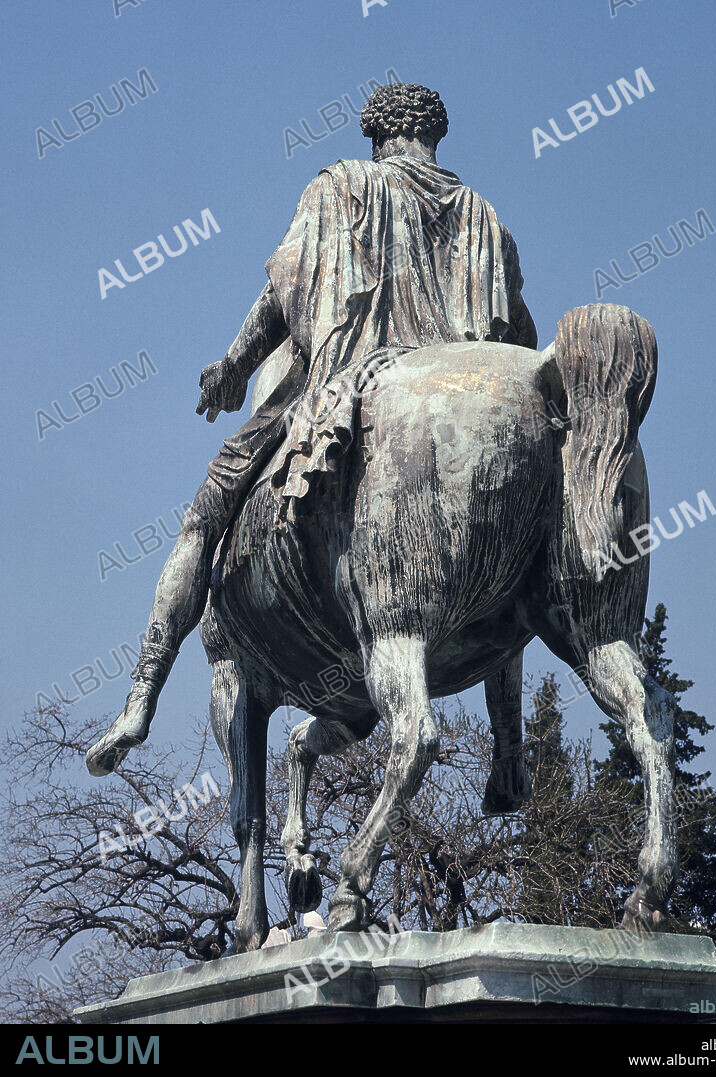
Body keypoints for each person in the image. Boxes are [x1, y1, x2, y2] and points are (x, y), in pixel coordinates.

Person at [87, 81, 538, 775]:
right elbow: (517, 339)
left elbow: (282, 289)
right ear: (436, 135)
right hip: (467, 390)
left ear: (376, 134)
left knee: (200, 524)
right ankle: (510, 750)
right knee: (511, 521)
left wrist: (233, 367)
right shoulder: (484, 214)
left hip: (345, 381)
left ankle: (140, 695)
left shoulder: (343, 185)